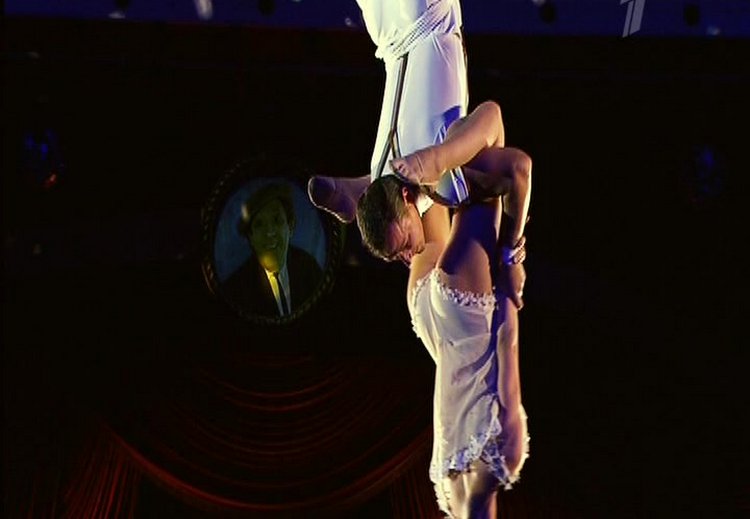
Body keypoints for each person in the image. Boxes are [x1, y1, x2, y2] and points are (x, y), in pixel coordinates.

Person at [356, 100, 531, 519]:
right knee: (449, 175)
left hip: (458, 312)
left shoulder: (497, 458)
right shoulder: (453, 490)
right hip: (430, 318)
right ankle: (392, 178)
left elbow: (506, 342)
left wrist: (511, 264)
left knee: (497, 150)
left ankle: (433, 159)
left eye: (400, 248)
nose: (403, 256)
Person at [307, 0, 468, 227]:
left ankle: (356, 194)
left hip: (423, 20)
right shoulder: (387, 174)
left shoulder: (444, 183)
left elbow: (497, 127)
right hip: (390, 34)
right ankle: (356, 193)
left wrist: (512, 237)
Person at [222, 182, 323, 318]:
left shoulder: (310, 269)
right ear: (250, 237)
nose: (269, 233)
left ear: (290, 226)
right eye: (259, 224)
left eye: (277, 220)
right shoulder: (235, 290)